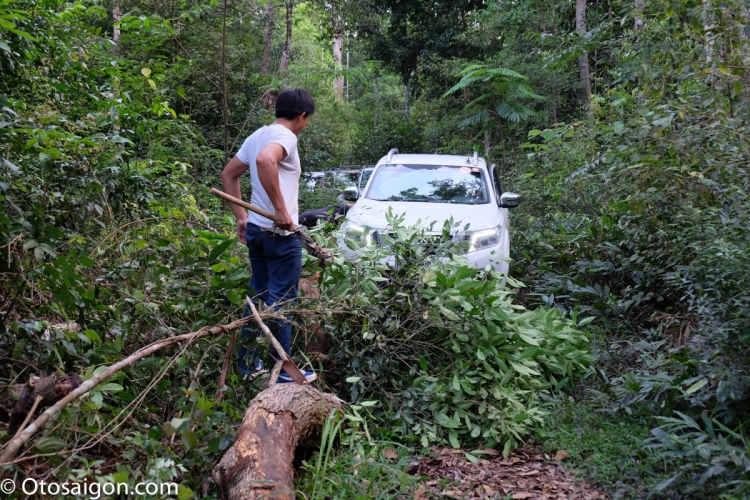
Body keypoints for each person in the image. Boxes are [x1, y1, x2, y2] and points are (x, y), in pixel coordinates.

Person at [221, 88, 316, 383]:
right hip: (279, 236)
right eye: (307, 119)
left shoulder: (257, 135)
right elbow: (265, 161)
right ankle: (284, 373)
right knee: (282, 302)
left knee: (259, 298)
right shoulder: (287, 137)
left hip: (257, 232)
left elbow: (229, 175)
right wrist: (280, 209)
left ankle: (249, 365)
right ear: (302, 117)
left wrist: (241, 218)